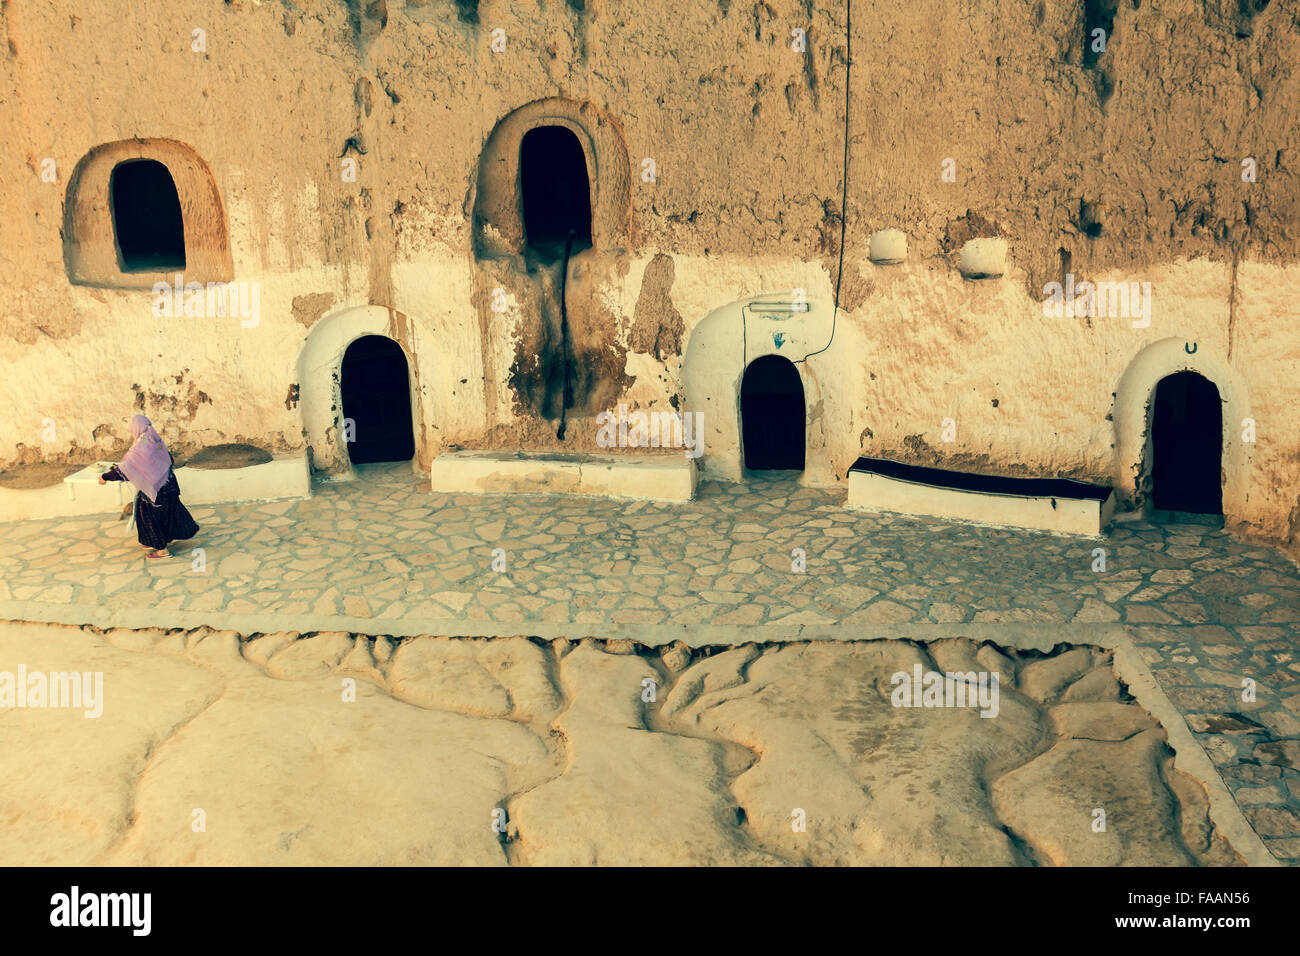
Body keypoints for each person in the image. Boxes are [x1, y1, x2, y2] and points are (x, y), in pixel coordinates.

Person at [99, 415, 200, 559]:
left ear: (137, 428)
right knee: (167, 513)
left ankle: (162, 550)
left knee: (149, 516)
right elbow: (166, 459)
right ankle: (151, 541)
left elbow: (128, 468)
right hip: (168, 484)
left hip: (157, 490)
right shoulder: (152, 437)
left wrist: (105, 477)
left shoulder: (142, 444)